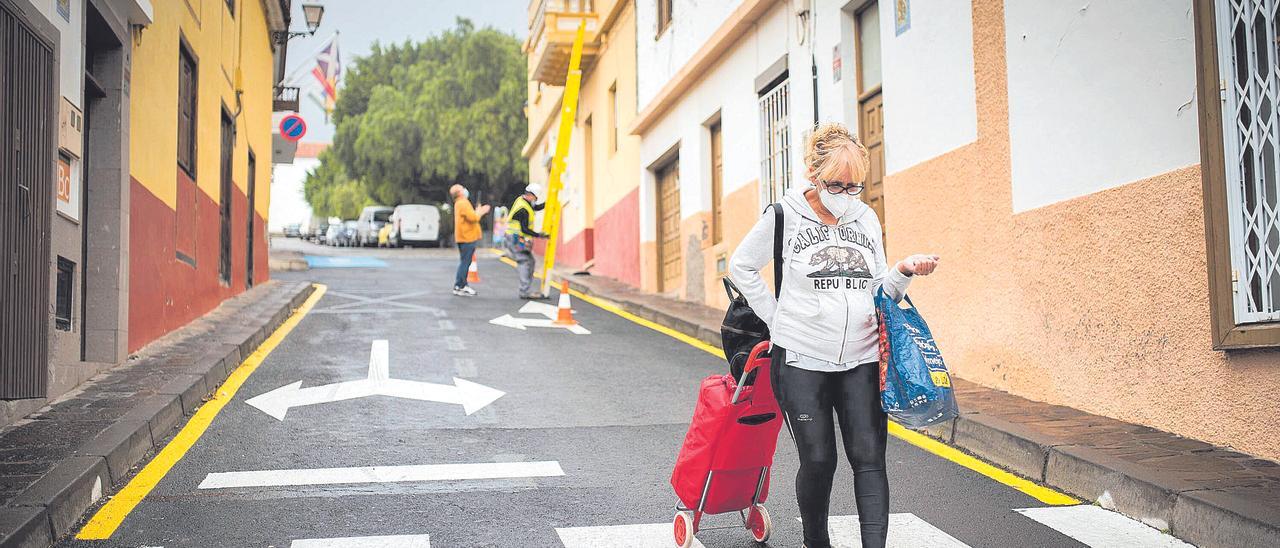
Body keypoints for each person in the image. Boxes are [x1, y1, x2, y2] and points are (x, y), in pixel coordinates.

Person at [729, 123, 940, 548]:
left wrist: (903, 271)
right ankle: (816, 543)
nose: (845, 194)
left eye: (854, 186)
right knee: (819, 460)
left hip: (860, 359)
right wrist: (778, 320)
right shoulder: (783, 215)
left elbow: (880, 289)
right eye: (835, 185)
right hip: (802, 362)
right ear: (813, 173)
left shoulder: (866, 218)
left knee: (869, 459)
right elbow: (741, 268)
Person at [505, 184, 549, 299]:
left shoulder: (523, 201)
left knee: (530, 262)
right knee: (525, 261)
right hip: (515, 238)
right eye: (535, 198)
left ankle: (525, 289)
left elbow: (535, 207)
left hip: (516, 238)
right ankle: (524, 291)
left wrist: (548, 204)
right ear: (530, 195)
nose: (536, 200)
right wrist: (539, 235)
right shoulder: (523, 209)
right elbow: (525, 229)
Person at [450, 184, 490, 297]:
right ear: (460, 192)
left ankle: (463, 284)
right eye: (462, 188)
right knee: (465, 262)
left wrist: (477, 211)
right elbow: (474, 218)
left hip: (463, 237)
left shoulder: (460, 203)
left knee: (465, 262)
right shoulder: (463, 203)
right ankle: (460, 286)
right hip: (467, 237)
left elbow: (470, 215)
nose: (465, 190)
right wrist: (482, 211)